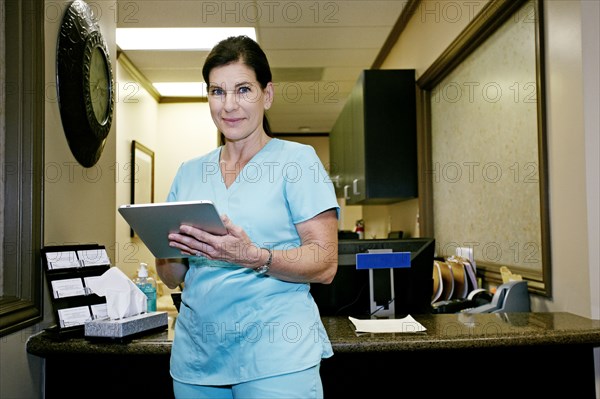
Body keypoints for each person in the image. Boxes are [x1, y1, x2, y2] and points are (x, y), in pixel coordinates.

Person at [156, 35, 340, 399]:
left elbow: (325, 263)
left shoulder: (298, 162)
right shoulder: (188, 173)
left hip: (277, 356)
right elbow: (172, 276)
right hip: (198, 357)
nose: (229, 105)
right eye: (217, 91)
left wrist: (253, 257)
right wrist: (170, 251)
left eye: (243, 89)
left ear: (266, 95)